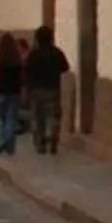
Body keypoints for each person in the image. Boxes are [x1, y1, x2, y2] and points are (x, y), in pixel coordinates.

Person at [22, 24, 69, 156]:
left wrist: (28, 88)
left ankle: (40, 144)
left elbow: (26, 72)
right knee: (54, 116)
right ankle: (53, 137)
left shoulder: (33, 54)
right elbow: (65, 68)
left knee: (38, 117)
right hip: (53, 89)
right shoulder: (57, 52)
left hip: (37, 90)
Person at [0, 33, 26, 155]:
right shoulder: (17, 58)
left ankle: (1, 141)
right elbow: (22, 75)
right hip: (15, 91)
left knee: (1, 119)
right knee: (11, 119)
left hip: (1, 91)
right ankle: (10, 146)